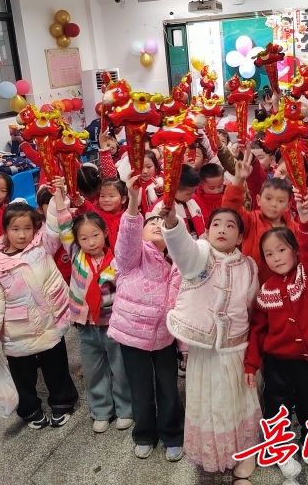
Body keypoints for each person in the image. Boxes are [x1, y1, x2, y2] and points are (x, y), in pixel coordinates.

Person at [161, 205, 261, 476]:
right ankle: (213, 452)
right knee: (208, 403)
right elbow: (183, 249)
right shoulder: (201, 257)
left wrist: (252, 354)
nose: (222, 229)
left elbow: (252, 309)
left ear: (240, 237)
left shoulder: (249, 267)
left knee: (237, 400)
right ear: (207, 231)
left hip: (235, 349)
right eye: (216, 224)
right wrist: (171, 222)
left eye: (230, 225)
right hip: (204, 350)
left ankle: (245, 451)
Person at [243, 195, 308, 478]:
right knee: (276, 404)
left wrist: (304, 219)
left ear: (296, 251)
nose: (276, 257)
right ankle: (279, 447)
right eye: (269, 254)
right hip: (278, 361)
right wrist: (251, 364)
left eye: (282, 250)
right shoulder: (266, 290)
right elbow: (258, 330)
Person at [0, 202, 78, 430]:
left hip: (50, 322)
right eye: (15, 229)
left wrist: (58, 197)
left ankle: (62, 402)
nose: (22, 235)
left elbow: (54, 223)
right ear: (5, 230)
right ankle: (30, 409)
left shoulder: (42, 245)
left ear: (35, 228)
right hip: (19, 329)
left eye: (27, 228)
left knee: (56, 366)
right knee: (23, 375)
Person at [48, 178, 133, 434]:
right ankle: (101, 410)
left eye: (95, 235)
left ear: (105, 233)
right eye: (84, 238)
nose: (91, 242)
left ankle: (126, 409)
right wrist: (59, 194)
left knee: (121, 369)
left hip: (112, 325)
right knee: (94, 370)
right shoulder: (76, 254)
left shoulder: (117, 260)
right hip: (86, 327)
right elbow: (64, 223)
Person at [109, 175, 184, 461]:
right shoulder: (132, 259)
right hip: (132, 337)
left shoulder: (179, 264)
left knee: (168, 388)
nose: (156, 224)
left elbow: (185, 306)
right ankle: (144, 434)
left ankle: (172, 433)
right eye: (150, 222)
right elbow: (127, 237)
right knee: (140, 389)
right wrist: (133, 201)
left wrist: (184, 347)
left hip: (165, 337)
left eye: (162, 223)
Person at [223, 150, 299, 282]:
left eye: (280, 201)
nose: (273, 204)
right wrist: (238, 179)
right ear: (258, 200)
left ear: (288, 206)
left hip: (284, 287)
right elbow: (230, 211)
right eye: (268, 198)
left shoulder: (295, 229)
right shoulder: (250, 221)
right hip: (251, 284)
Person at [148, 165, 205, 239]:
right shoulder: (158, 209)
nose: (192, 196)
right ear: (173, 189)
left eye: (194, 192)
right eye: (189, 194)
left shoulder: (193, 200)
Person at [77, 177, 128, 249]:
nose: (106, 200)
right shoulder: (99, 216)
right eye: (102, 196)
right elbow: (87, 207)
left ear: (123, 199)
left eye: (111, 196)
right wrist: (79, 200)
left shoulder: (128, 219)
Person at [36, 188, 71, 283]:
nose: (55, 205)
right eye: (50, 203)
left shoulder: (75, 224)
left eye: (59, 200)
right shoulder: (40, 236)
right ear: (40, 210)